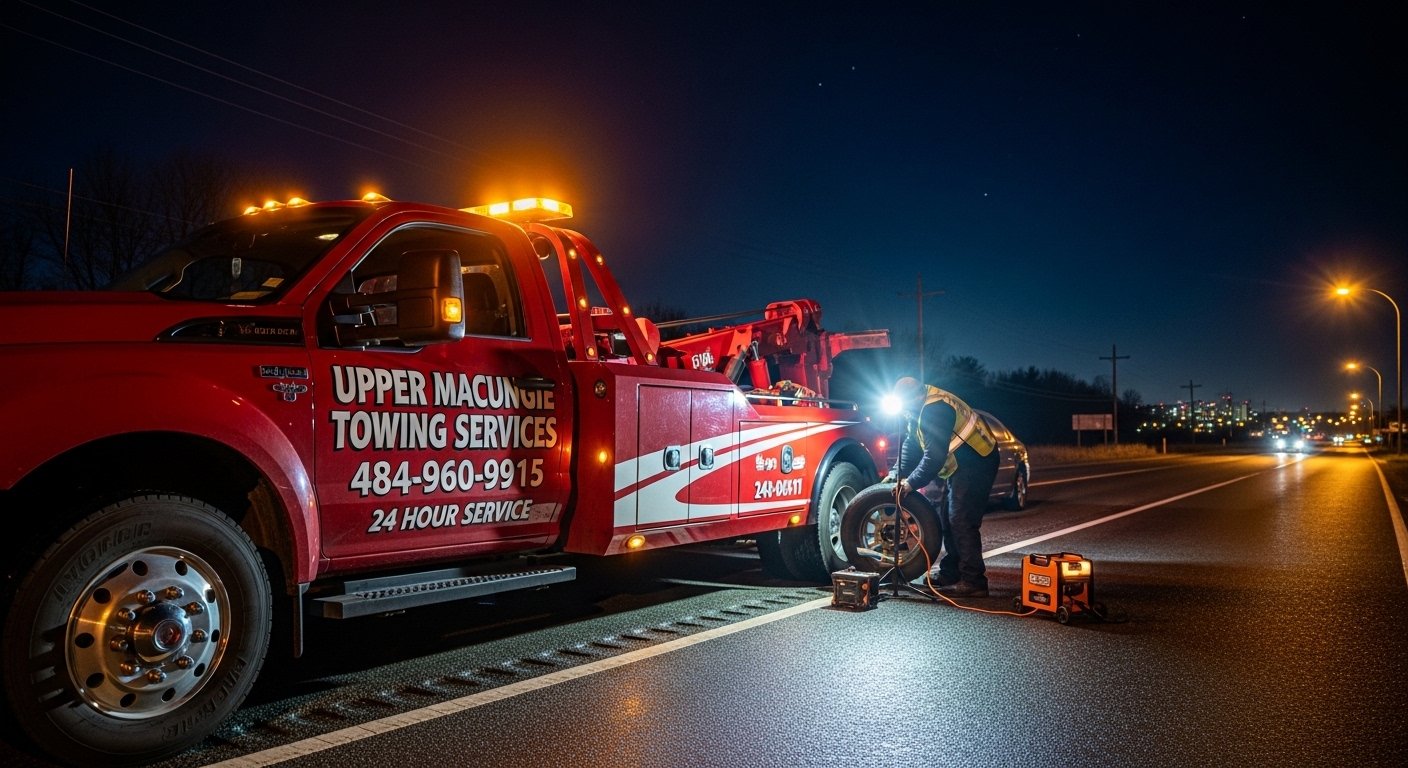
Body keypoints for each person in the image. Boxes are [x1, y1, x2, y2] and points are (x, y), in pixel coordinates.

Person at [892, 376, 1000, 597]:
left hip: (978, 459)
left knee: (960, 517)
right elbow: (912, 445)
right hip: (961, 463)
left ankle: (974, 581)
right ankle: (952, 571)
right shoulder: (917, 408)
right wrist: (896, 475)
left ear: (918, 396)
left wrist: (910, 483)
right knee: (946, 516)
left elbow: (933, 458)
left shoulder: (935, 409)